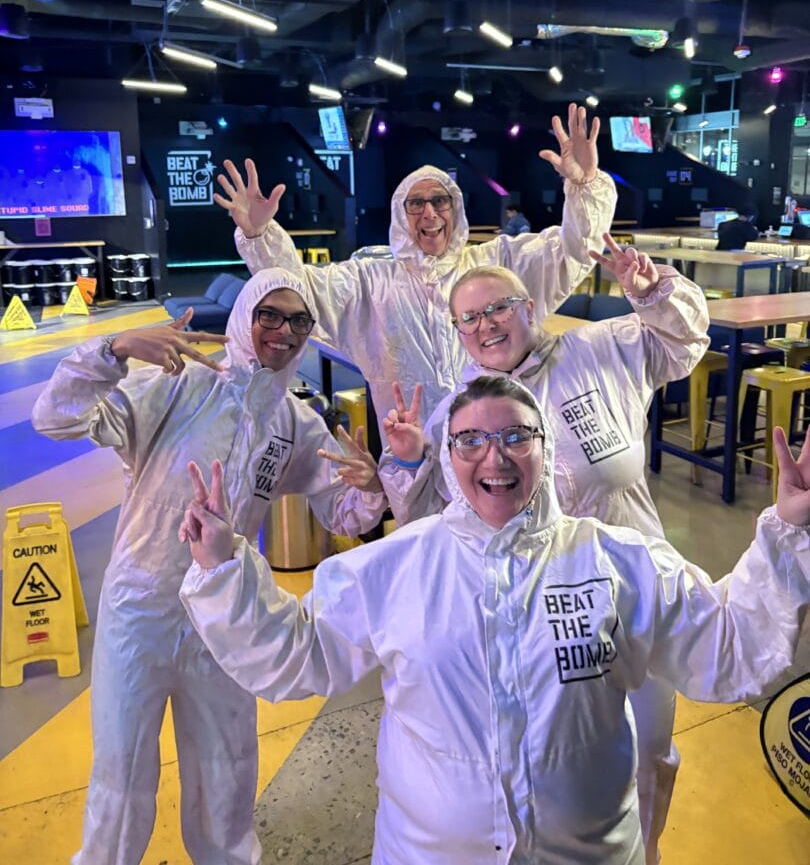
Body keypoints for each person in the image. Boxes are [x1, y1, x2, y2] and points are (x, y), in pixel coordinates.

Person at [179, 376, 810, 865]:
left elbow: (726, 646)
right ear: (449, 456)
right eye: (471, 441)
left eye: (515, 437)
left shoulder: (618, 561)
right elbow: (298, 654)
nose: (495, 457)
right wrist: (223, 570)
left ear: (545, 449)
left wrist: (787, 528)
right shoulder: (395, 567)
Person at [31, 268, 388, 865]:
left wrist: (375, 484)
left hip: (224, 617)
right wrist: (113, 349)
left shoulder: (293, 423)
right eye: (269, 315)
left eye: (298, 321)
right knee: (121, 774)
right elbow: (56, 417)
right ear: (245, 318)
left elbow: (342, 511)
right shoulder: (176, 388)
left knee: (227, 771)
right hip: (139, 609)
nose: (284, 332)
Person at [377, 239, 709, 862]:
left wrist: (652, 294)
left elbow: (684, 342)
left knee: (649, 750)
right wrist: (408, 461)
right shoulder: (459, 413)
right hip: (537, 621)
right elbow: (434, 521)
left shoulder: (600, 351)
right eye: (470, 317)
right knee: (554, 765)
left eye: (498, 307)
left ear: (529, 307)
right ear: (458, 332)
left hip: (633, 595)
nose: (486, 325)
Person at [214, 104, 617, 427]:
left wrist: (584, 188)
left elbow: (571, 252)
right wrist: (260, 236)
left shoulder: (497, 265)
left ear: (455, 209)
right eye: (416, 204)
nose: (430, 213)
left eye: (440, 201)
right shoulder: (370, 284)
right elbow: (297, 292)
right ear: (400, 214)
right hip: (412, 457)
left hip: (499, 445)